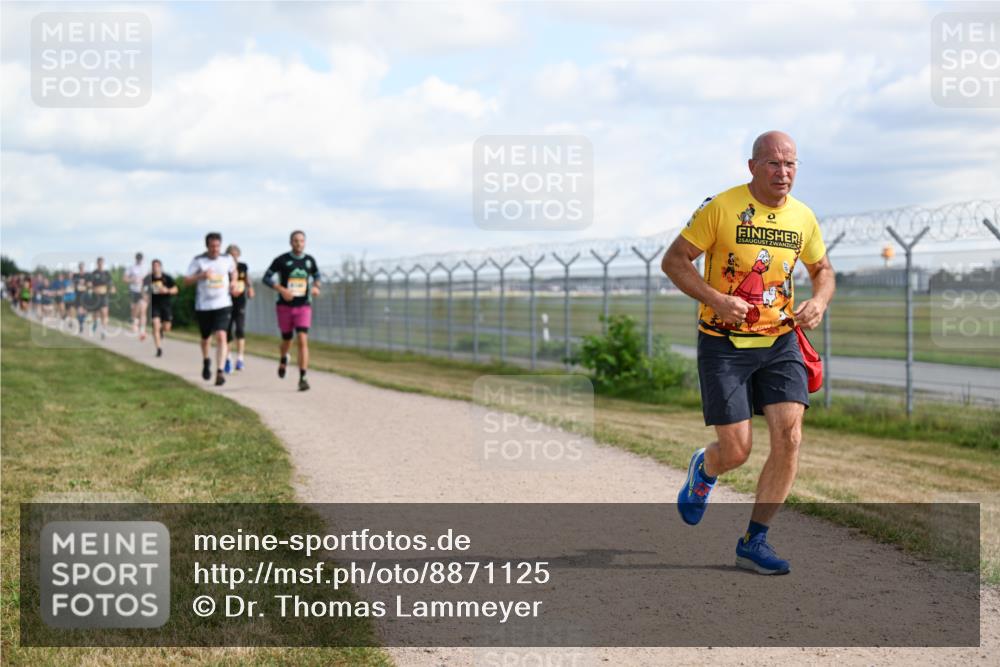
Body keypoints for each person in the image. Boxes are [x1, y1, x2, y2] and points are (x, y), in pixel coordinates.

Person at [661, 130, 835, 575]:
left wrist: (818, 301)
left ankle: (754, 541)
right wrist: (717, 300)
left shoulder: (803, 217)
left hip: (780, 341)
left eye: (791, 163)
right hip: (723, 342)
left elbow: (822, 270)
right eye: (774, 163)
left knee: (790, 438)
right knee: (737, 450)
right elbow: (675, 261)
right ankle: (706, 468)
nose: (784, 172)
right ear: (753, 166)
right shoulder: (720, 208)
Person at [262, 230, 321, 391]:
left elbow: (317, 275)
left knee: (302, 339)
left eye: (301, 241)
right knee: (287, 340)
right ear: (290, 242)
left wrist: (316, 286)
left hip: (303, 306)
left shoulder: (310, 261)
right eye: (295, 241)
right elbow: (266, 278)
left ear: (305, 243)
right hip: (285, 306)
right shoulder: (281, 260)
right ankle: (283, 357)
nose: (298, 244)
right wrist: (281, 289)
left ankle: (303, 377)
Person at [185, 233, 238, 386]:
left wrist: (234, 282)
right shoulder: (198, 260)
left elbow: (234, 271)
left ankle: (220, 371)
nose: (215, 249)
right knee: (205, 338)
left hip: (223, 303)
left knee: (222, 335)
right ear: (207, 246)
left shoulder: (227, 259)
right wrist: (201, 275)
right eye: (212, 246)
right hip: (204, 305)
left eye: (217, 246)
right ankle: (206, 360)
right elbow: (187, 280)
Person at [224, 244, 255, 373]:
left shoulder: (243, 267)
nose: (234, 257)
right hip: (226, 303)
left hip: (240, 302)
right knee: (227, 331)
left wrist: (251, 288)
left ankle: (240, 358)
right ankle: (227, 358)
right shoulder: (223, 267)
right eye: (231, 255)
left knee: (240, 329)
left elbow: (247, 279)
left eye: (236, 255)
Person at [143, 259, 178, 357]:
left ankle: (161, 330)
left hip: (166, 305)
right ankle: (159, 349)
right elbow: (143, 289)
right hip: (154, 305)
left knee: (167, 327)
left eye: (157, 266)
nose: (155, 268)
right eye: (153, 266)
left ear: (160, 267)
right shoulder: (148, 278)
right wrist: (145, 295)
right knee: (155, 324)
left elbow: (176, 289)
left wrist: (167, 290)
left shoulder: (167, 278)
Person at [88, 257, 116, 339]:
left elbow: (111, 283)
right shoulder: (93, 273)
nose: (100, 264)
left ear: (103, 263)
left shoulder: (107, 273)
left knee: (104, 312)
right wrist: (89, 285)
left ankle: (103, 331)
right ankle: (95, 324)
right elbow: (89, 283)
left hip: (104, 296)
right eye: (99, 263)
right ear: (97, 263)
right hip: (95, 296)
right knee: (95, 314)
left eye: (102, 263)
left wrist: (113, 288)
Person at [125, 252, 148, 340]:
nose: (139, 260)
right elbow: (125, 279)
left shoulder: (146, 268)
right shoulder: (131, 267)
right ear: (136, 258)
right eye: (138, 258)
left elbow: (149, 278)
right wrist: (132, 279)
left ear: (142, 259)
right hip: (133, 290)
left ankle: (142, 330)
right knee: (134, 309)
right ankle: (135, 322)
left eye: (140, 258)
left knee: (143, 310)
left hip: (143, 292)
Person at [71, 262, 90, 334]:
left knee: (85, 312)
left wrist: (86, 284)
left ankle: (82, 320)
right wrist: (77, 284)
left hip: (85, 295)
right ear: (79, 268)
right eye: (80, 267)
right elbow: (73, 284)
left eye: (82, 267)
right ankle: (80, 325)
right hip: (78, 295)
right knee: (79, 311)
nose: (81, 268)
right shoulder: (75, 275)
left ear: (84, 267)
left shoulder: (87, 275)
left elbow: (90, 284)